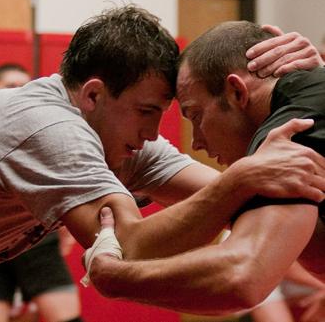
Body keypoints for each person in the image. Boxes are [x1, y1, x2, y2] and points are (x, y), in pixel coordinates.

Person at [0, 5, 324, 315]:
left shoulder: (118, 135)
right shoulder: (51, 127)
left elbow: (248, 203)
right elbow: (127, 246)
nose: (153, 134)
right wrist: (239, 178)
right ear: (93, 95)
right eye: (145, 112)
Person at [89, 18, 325, 316]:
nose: (197, 142)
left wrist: (115, 279)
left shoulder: (289, 131)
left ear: (237, 92)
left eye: (196, 116)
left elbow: (241, 278)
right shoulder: (313, 99)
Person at [0, 64, 83, 322]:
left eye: (24, 87)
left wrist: (66, 225)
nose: (18, 93)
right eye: (11, 86)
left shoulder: (45, 131)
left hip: (35, 236)